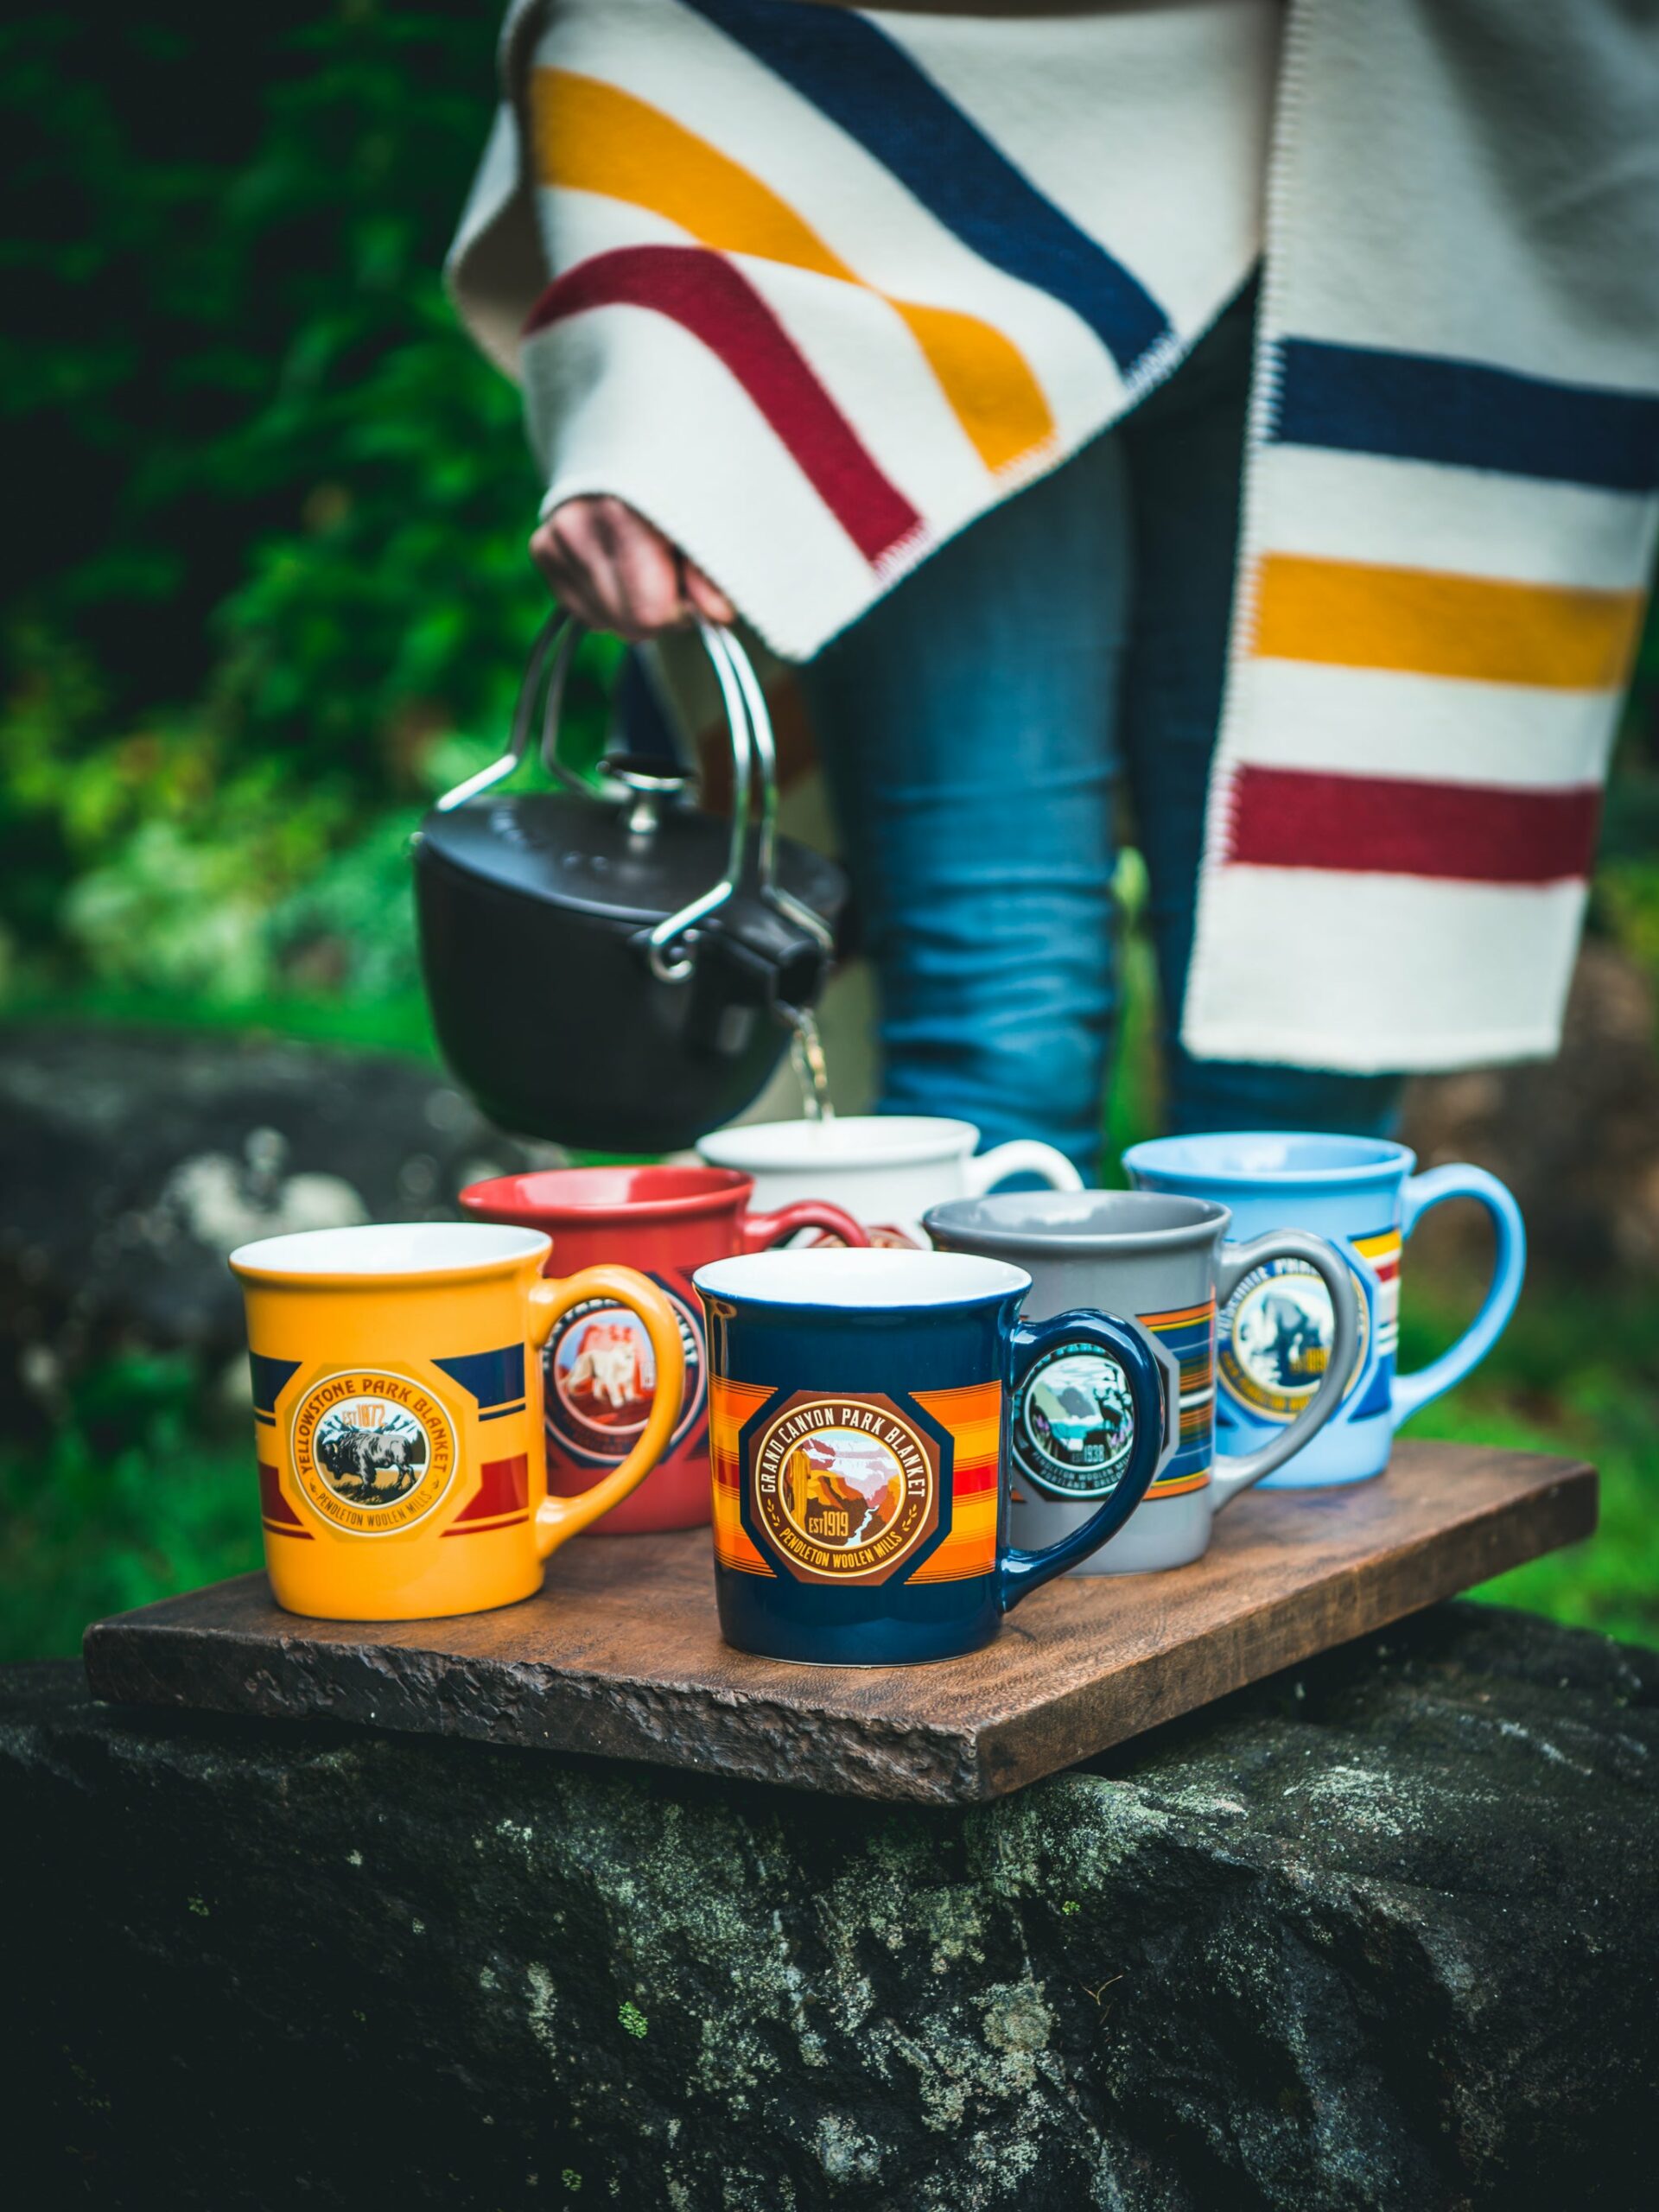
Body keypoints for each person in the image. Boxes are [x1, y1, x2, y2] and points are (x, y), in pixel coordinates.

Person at [451, 0, 1659, 1179]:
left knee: (1309, 1049)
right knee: (1000, 1033)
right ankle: (943, 1384)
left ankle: (1233, 1375)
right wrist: (649, 389)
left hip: (1410, 212)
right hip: (913, 229)